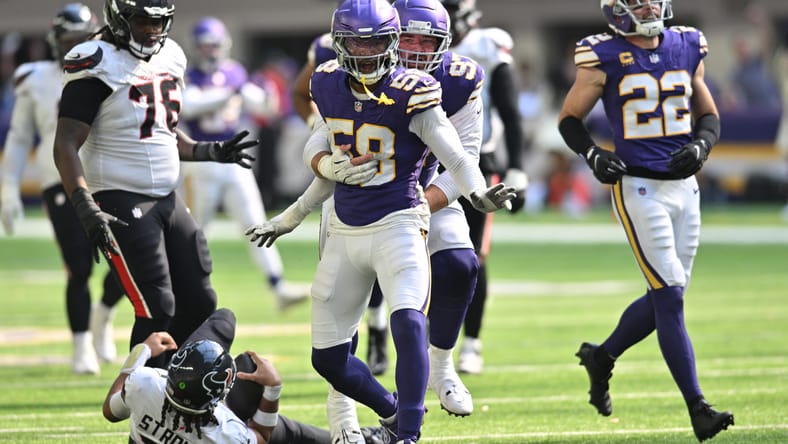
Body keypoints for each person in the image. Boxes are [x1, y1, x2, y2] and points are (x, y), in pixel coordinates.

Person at [250, 1, 514, 442]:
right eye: (361, 41)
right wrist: (313, 190)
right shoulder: (331, 78)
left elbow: (459, 155)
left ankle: (416, 415)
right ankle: (356, 412)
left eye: (422, 40)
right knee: (331, 347)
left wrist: (473, 193)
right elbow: (320, 144)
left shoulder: (439, 85)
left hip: (410, 203)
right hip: (349, 209)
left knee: (420, 305)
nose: (376, 50)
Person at [556, 0, 734, 441]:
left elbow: (708, 112)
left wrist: (703, 145)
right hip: (638, 188)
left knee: (666, 297)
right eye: (639, 1)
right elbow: (570, 120)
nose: (650, 6)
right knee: (670, 294)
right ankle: (698, 408)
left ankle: (602, 358)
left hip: (685, 188)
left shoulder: (687, 44)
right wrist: (593, 154)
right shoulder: (602, 54)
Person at [52, 0, 258, 369]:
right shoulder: (96, 60)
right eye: (142, 20)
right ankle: (137, 393)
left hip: (166, 197)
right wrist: (84, 206)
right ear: (119, 18)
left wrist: (209, 150)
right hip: (118, 196)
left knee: (199, 300)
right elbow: (66, 142)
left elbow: (161, 133)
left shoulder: (171, 57)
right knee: (156, 305)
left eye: (159, 22)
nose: (151, 30)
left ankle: (173, 387)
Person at [0, 3, 123, 375]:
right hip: (60, 181)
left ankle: (103, 314)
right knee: (79, 266)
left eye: (80, 40)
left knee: (128, 261)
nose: (74, 47)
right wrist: (8, 188)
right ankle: (81, 343)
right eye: (68, 40)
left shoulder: (109, 66)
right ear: (55, 41)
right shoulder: (35, 78)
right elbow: (21, 138)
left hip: (106, 175)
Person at [102, 308, 386, 444]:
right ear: (218, 398)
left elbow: (111, 410)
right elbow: (262, 435)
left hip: (179, 416)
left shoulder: (145, 384)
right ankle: (354, 440)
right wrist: (273, 388)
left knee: (224, 322)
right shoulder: (225, 432)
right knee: (249, 367)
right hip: (203, 426)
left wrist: (139, 354)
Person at [180, 16, 308, 311]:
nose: (211, 51)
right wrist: (231, 93)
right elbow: (191, 105)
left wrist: (267, 98)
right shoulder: (190, 76)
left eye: (215, 45)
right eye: (206, 46)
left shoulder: (234, 72)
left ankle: (278, 286)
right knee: (196, 230)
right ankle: (184, 287)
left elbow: (262, 105)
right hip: (201, 160)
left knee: (257, 223)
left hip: (235, 159)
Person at [292, 29, 392, 376]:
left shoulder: (406, 42)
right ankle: (342, 362)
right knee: (336, 273)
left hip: (393, 173)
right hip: (343, 167)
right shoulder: (324, 48)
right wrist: (319, 128)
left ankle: (380, 329)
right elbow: (299, 92)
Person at [439, 0, 529, 375]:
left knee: (472, 257)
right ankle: (428, 343)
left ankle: (471, 342)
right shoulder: (410, 45)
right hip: (425, 162)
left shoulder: (485, 46)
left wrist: (517, 168)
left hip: (478, 162)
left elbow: (509, 109)